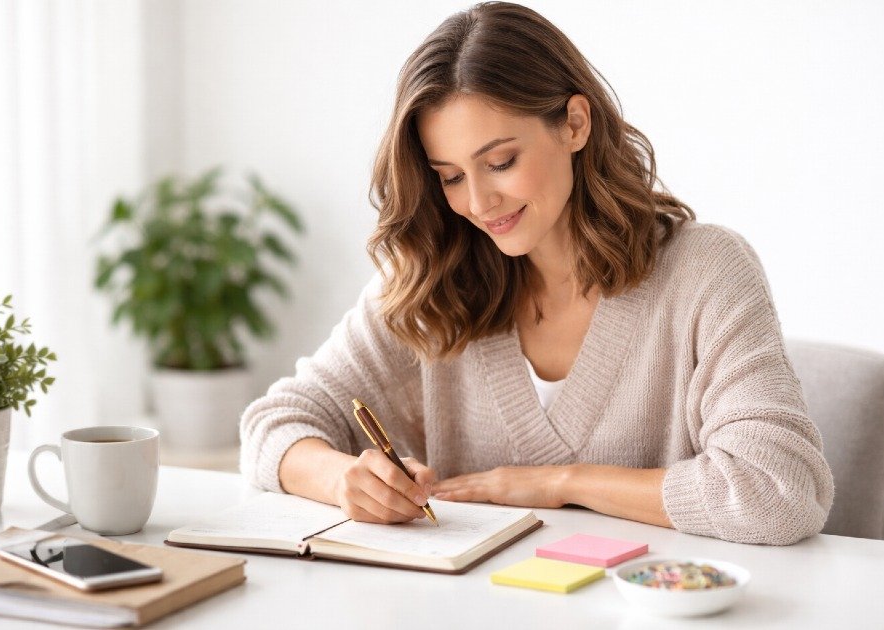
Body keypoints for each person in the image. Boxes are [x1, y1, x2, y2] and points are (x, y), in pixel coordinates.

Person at [240, 1, 833, 545]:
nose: (478, 202)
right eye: (450, 176)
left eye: (500, 162)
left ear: (575, 124)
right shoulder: (433, 284)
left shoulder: (705, 273)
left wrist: (562, 483)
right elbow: (272, 425)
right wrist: (343, 479)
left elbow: (780, 491)